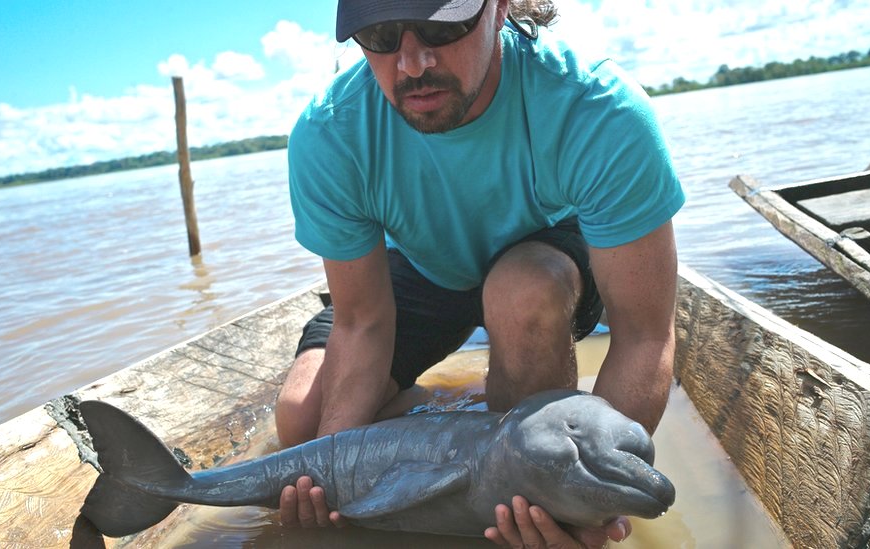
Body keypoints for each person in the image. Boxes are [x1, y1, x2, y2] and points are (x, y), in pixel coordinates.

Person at [275, 0, 684, 546]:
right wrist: (336, 471)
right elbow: (362, 320)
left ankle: (517, 461)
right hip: (422, 268)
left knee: (522, 293)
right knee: (301, 429)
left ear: (500, 8)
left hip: (541, 259)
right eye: (381, 35)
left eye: (443, 26)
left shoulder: (597, 108)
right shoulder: (330, 132)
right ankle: (450, 404)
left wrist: (585, 512)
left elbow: (645, 333)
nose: (413, 63)